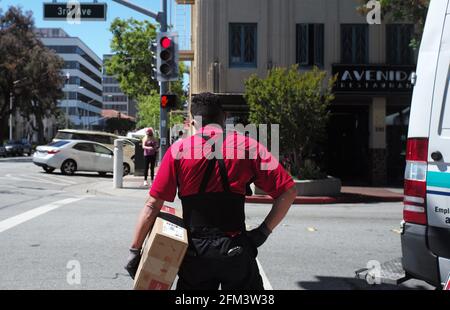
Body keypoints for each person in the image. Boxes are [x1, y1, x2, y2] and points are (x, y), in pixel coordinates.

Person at [125, 92, 297, 289]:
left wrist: (135, 251)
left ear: (192, 122)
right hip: (236, 249)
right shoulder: (248, 147)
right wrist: (262, 232)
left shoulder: (177, 151)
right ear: (224, 117)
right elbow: (288, 192)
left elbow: (152, 206)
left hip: (195, 255)